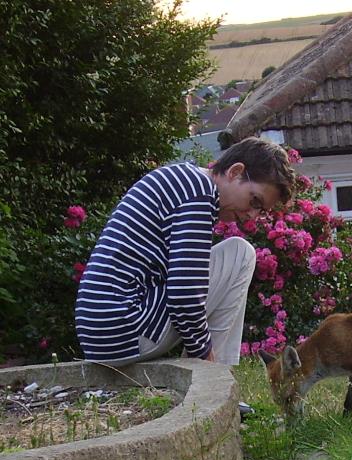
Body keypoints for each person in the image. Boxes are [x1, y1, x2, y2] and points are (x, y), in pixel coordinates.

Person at [75, 137, 297, 367]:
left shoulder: (184, 179)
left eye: (261, 210)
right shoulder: (199, 193)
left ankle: (215, 374)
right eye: (254, 200)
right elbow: (184, 293)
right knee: (241, 254)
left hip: (100, 332)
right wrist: (204, 352)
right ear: (235, 172)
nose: (252, 215)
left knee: (232, 253)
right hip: (124, 332)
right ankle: (215, 377)